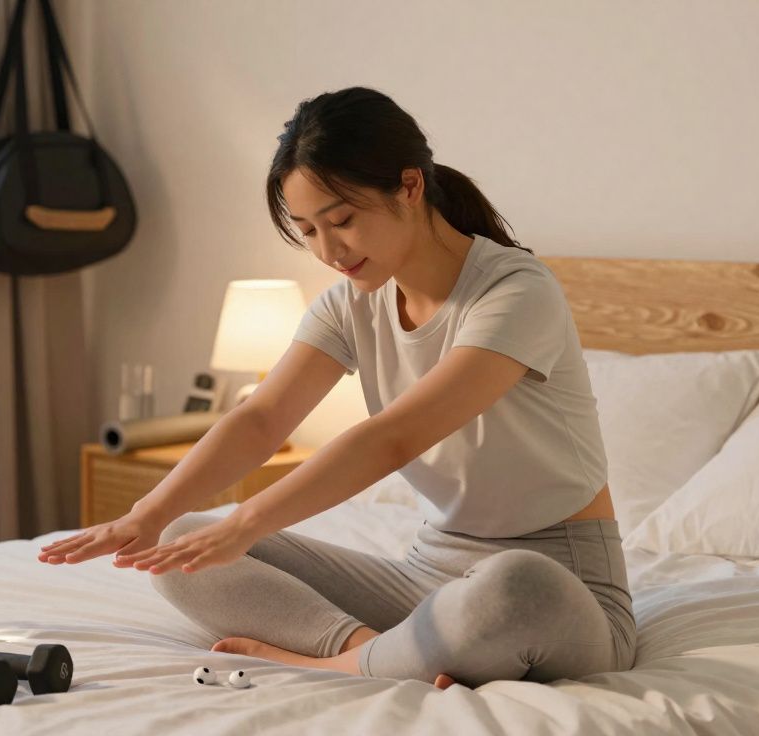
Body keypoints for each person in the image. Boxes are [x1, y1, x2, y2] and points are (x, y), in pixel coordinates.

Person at [37, 86, 636, 690]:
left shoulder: (515, 292)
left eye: (343, 221)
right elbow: (262, 419)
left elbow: (393, 438)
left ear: (409, 186)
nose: (329, 251)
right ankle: (370, 651)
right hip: (428, 575)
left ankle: (329, 664)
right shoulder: (350, 304)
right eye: (308, 231)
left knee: (514, 589)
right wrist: (148, 513)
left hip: (562, 583)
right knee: (183, 545)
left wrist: (247, 523)